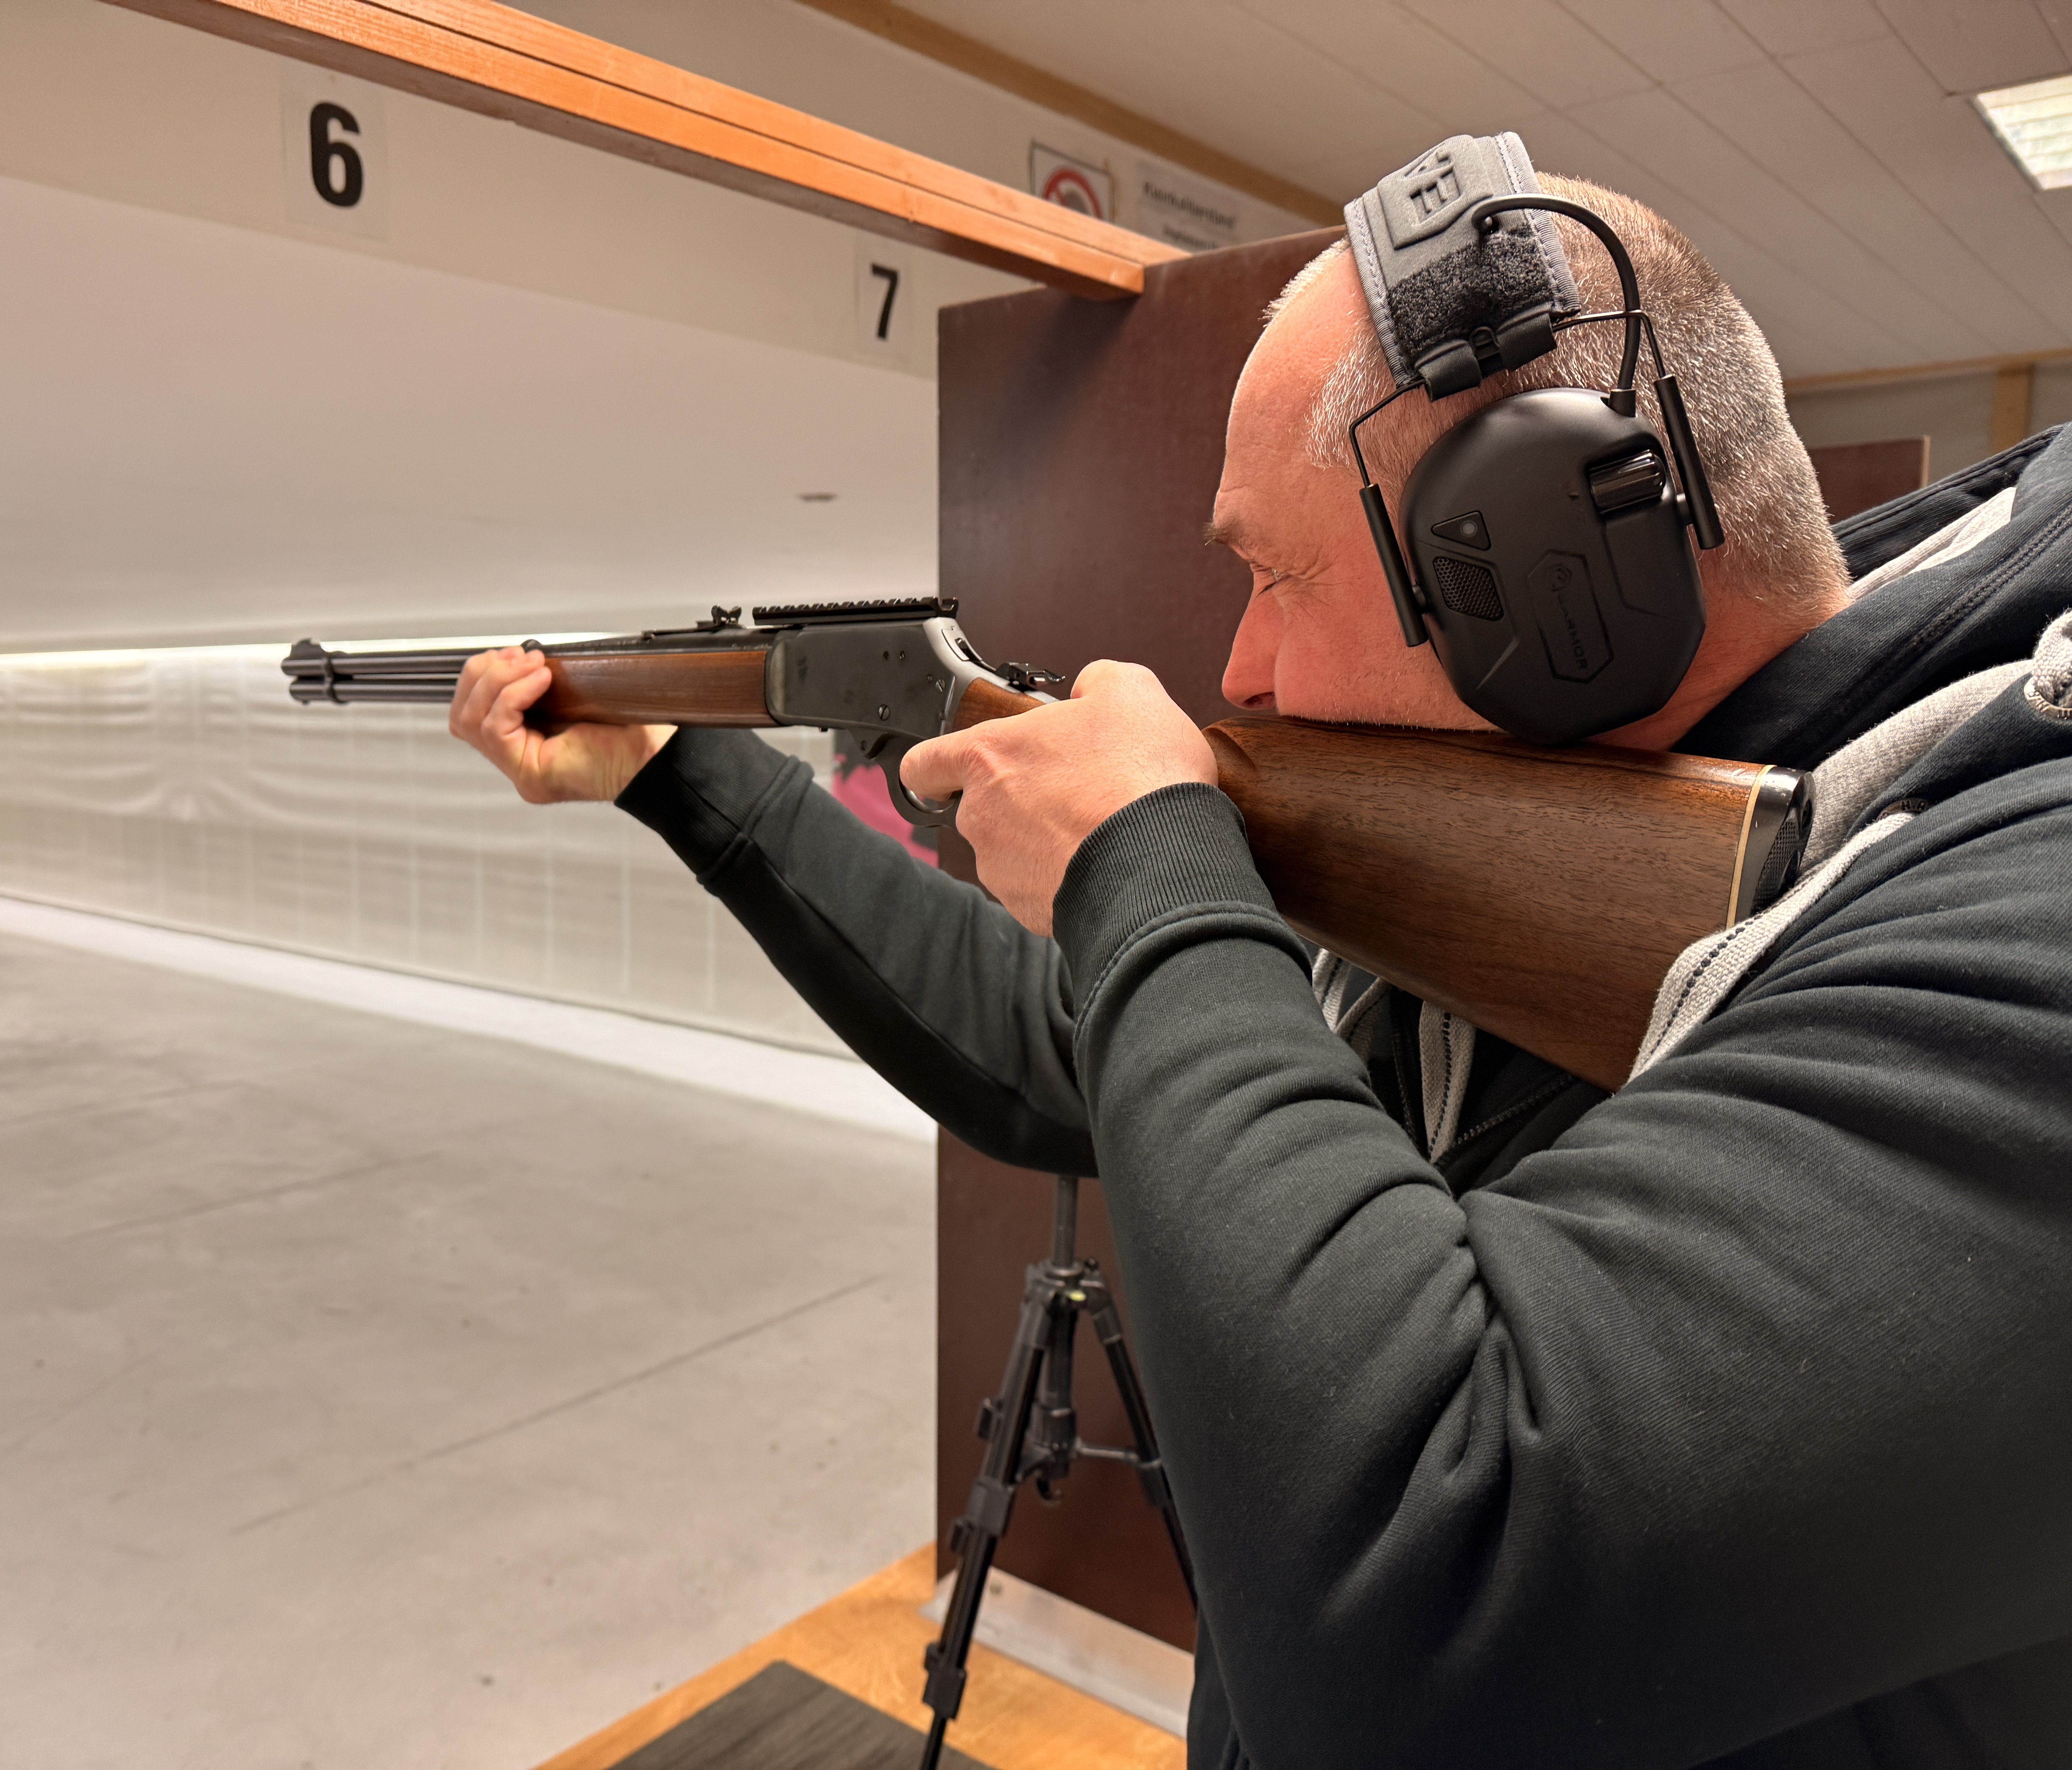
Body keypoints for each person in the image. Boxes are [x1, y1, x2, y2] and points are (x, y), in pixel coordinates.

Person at [448, 172, 2072, 1768]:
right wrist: (684, 774)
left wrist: (1151, 860)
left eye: (1276, 577)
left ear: (1552, 569)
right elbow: (1072, 1053)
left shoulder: (2023, 904)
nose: (1241, 664)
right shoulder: (1539, 828)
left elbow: (1424, 1600)